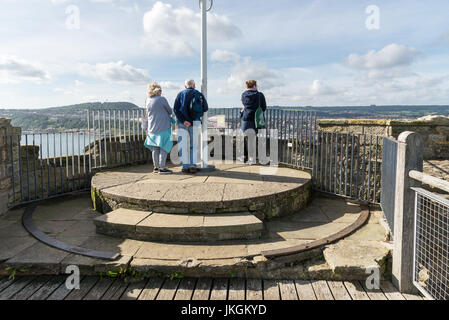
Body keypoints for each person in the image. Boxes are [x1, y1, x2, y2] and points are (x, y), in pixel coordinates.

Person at [174, 79, 209, 174]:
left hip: (182, 123)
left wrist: (184, 120)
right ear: (194, 85)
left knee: (183, 145)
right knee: (194, 145)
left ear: (185, 86)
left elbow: (176, 109)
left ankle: (185, 166)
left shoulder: (180, 94)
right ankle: (193, 165)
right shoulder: (199, 94)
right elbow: (205, 108)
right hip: (195, 122)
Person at [144, 82, 175, 174]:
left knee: (155, 149)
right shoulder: (161, 99)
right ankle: (162, 168)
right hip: (163, 127)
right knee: (164, 147)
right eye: (160, 90)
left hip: (152, 128)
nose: (161, 92)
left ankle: (156, 167)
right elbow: (169, 111)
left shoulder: (148, 100)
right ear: (157, 91)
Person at [240, 80, 267, 164]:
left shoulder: (244, 94)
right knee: (251, 139)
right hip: (255, 119)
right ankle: (251, 158)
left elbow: (244, 104)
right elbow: (264, 107)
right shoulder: (260, 95)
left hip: (245, 118)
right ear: (254, 86)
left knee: (246, 137)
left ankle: (244, 156)